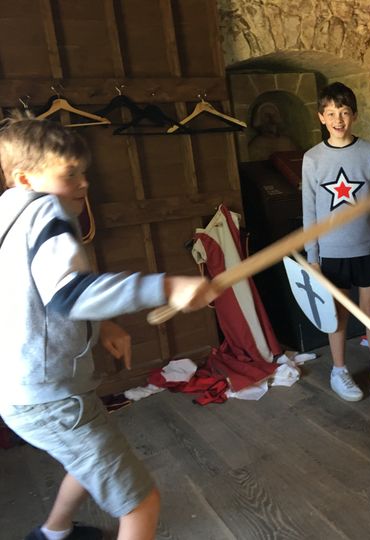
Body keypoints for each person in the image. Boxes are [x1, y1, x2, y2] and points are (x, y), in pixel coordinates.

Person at [0, 119, 216, 540]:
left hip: (23, 390)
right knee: (141, 504)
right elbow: (70, 293)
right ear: (26, 177)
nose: (83, 184)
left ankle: (54, 532)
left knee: (83, 463)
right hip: (52, 399)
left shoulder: (9, 215)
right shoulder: (46, 211)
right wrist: (168, 286)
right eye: (69, 175)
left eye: (84, 172)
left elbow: (38, 296)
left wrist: (105, 323)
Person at [302, 82, 370, 414]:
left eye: (343, 112)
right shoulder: (312, 159)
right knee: (337, 316)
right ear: (321, 117)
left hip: (368, 249)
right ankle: (339, 371)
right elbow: (309, 211)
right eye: (331, 113)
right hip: (330, 254)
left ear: (353, 115)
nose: (338, 119)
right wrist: (312, 259)